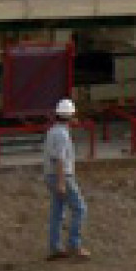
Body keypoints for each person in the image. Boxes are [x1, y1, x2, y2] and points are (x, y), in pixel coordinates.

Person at [43, 98, 90, 260]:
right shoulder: (62, 134)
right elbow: (60, 159)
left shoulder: (52, 131)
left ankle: (55, 246)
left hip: (50, 175)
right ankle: (74, 245)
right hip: (62, 176)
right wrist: (62, 182)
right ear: (70, 116)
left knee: (57, 210)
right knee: (80, 208)